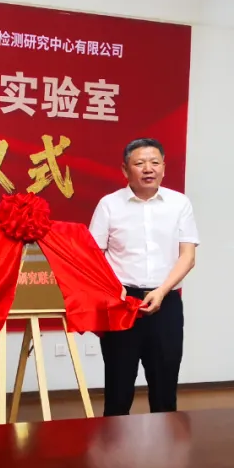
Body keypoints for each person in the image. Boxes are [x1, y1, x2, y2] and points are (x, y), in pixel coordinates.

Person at [89, 138, 199, 416]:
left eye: (154, 162)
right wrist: (114, 290)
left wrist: (161, 291)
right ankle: (114, 442)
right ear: (125, 170)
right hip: (121, 303)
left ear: (164, 167)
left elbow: (187, 256)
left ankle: (164, 443)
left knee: (164, 387)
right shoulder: (109, 205)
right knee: (118, 387)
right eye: (139, 163)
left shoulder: (179, 203)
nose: (148, 169)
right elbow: (93, 255)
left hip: (166, 302)